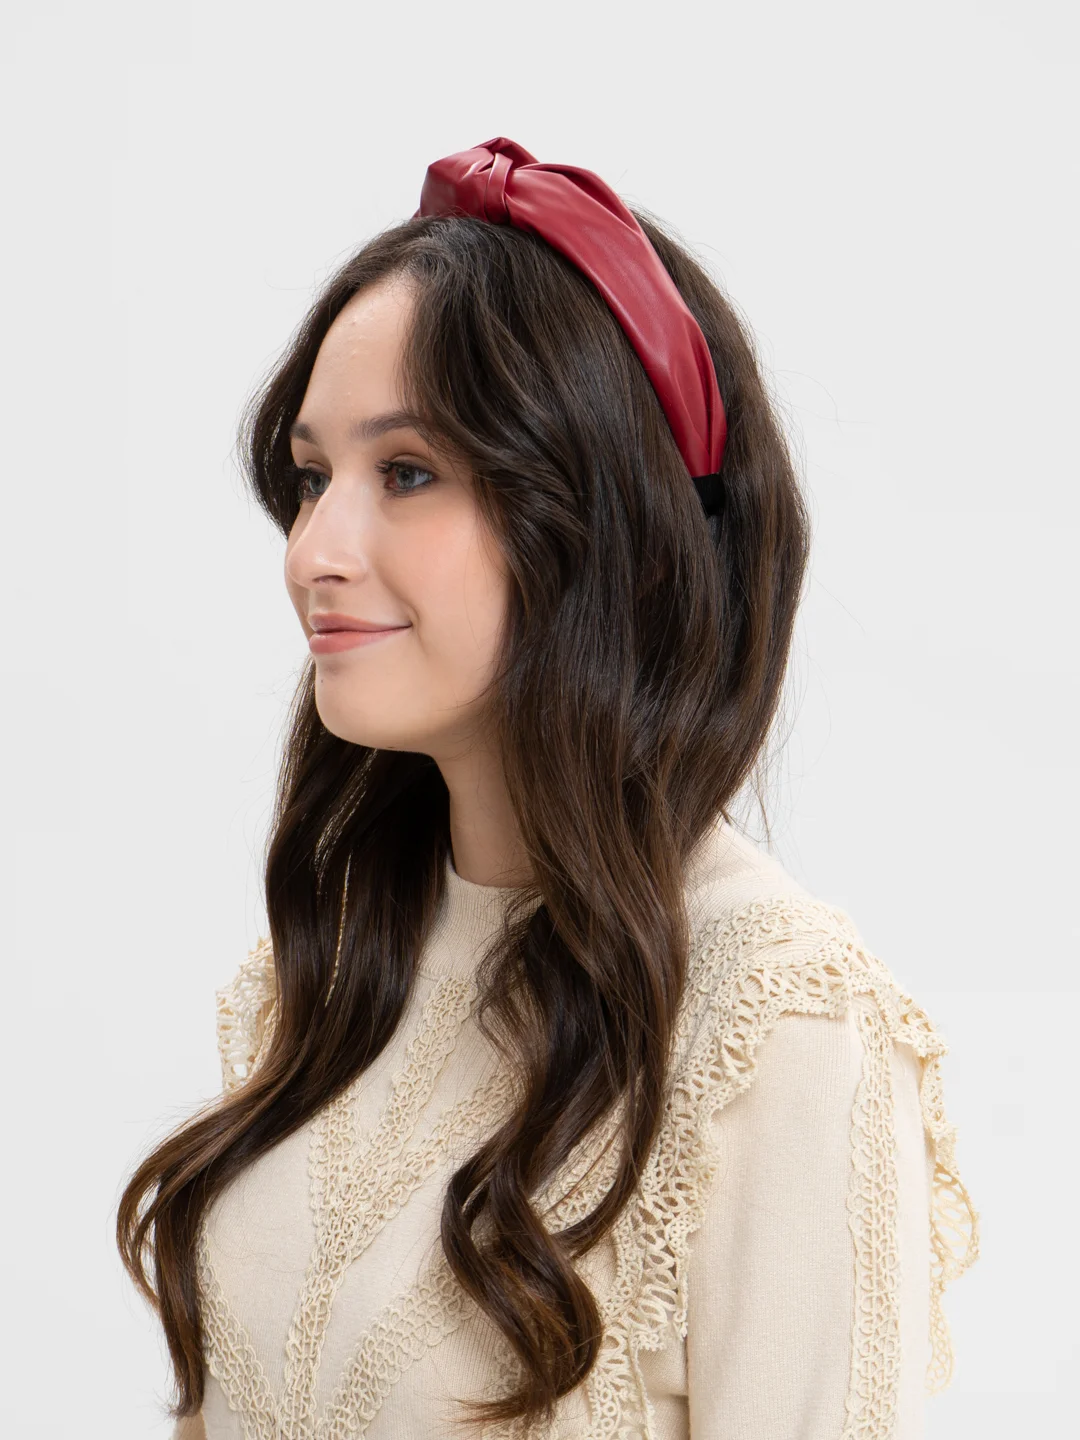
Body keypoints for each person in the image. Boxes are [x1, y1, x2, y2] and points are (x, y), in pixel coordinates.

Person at [116, 138, 980, 1440]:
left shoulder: (780, 1023)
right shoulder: (328, 967)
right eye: (311, 477)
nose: (312, 551)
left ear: (607, 523)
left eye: (407, 473)